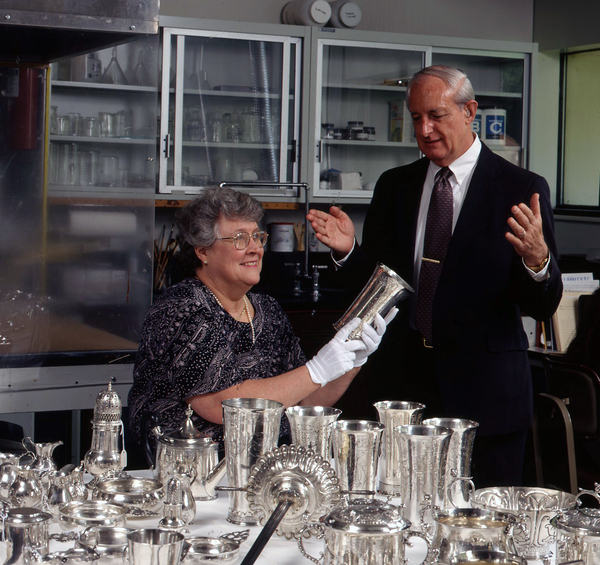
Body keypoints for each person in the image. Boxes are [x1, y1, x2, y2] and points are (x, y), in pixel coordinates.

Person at [307, 65, 563, 487]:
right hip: (403, 389)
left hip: (486, 398)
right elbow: (378, 291)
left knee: (482, 532)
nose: (424, 129)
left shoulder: (520, 187)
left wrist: (538, 261)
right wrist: (349, 252)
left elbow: (542, 305)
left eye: (436, 115)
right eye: (415, 118)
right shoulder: (395, 186)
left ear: (470, 112)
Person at [128, 186, 395, 452]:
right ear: (203, 250)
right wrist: (317, 370)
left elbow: (303, 400)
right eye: (240, 238)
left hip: (264, 468)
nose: (255, 248)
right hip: (188, 473)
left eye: (258, 236)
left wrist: (351, 361)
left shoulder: (267, 309)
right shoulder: (182, 308)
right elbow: (222, 405)